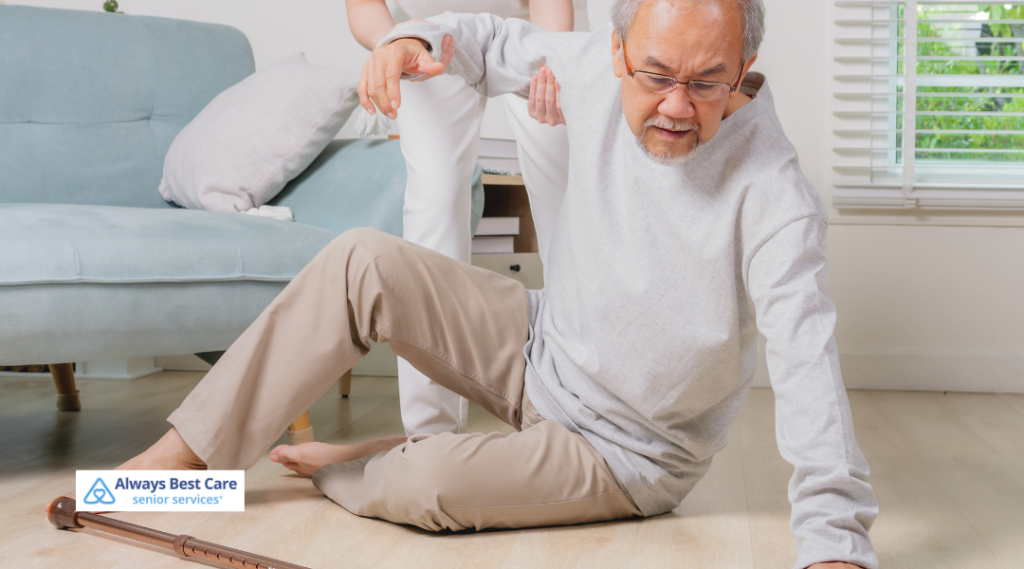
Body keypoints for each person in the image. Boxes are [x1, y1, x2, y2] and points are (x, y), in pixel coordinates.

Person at [112, 1, 879, 567]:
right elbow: (489, 40)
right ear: (616, 52)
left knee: (431, 482)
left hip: (624, 450)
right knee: (361, 258)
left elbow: (809, 362)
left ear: (743, 71)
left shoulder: (775, 192)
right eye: (655, 75)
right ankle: (177, 466)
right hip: (541, 345)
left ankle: (358, 467)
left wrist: (834, 545)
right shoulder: (589, 66)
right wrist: (409, 40)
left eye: (708, 82)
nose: (676, 106)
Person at [346, 0, 582, 438]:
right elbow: (364, 8)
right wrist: (394, 45)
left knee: (564, 207)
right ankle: (429, 431)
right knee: (431, 211)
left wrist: (554, 59)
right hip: (425, 37)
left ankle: (577, 411)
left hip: (537, 29)